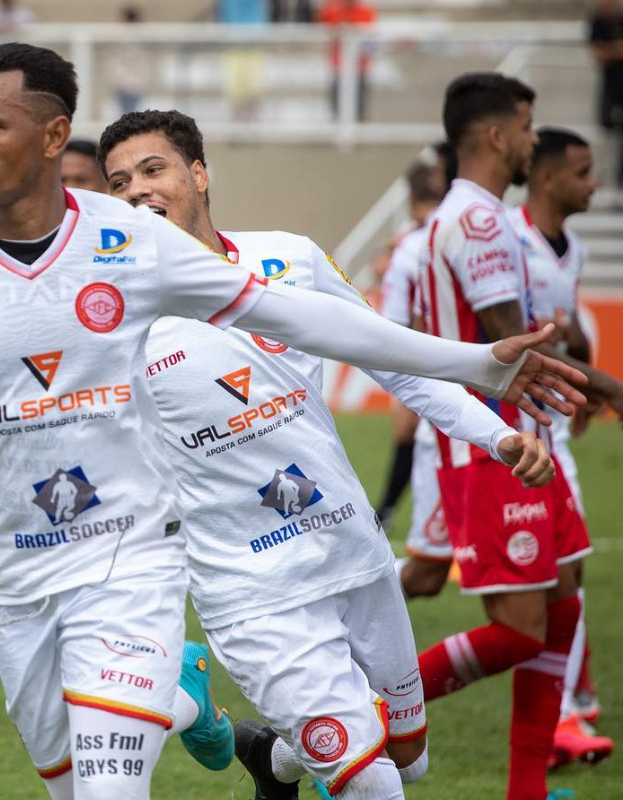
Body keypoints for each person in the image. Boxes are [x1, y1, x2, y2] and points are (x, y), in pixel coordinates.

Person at [0, 45, 584, 800]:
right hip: (26, 577)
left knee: (274, 778)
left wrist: (473, 370)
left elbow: (322, 322)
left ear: (53, 138)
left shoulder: (145, 251)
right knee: (91, 780)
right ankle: (202, 712)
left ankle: (228, 730)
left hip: (152, 566)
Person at [98, 108, 553, 800]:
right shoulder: (110, 320)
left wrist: (496, 434)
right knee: (372, 783)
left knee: (407, 759)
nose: (136, 190)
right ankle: (306, 747)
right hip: (251, 594)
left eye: (152, 170)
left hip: (352, 554)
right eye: (118, 182)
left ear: (198, 173)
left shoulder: (290, 259)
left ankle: (274, 758)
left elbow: (390, 361)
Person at [415, 72, 623, 800]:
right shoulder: (474, 221)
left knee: (564, 600)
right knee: (521, 629)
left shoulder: (489, 218)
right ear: (499, 135)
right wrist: (609, 388)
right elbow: (510, 341)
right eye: (529, 127)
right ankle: (363, 718)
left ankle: (527, 790)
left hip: (526, 440)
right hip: (489, 444)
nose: (536, 140)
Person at [507, 127, 613, 768]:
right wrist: (607, 387)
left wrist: (583, 382)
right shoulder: (507, 241)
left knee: (567, 573)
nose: (593, 183)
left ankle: (570, 706)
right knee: (535, 590)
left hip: (553, 428)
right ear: (546, 177)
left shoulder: (568, 250)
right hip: (512, 435)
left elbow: (562, 339)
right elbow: (510, 342)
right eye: (582, 171)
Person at [374, 147, 451, 535]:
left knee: (412, 434)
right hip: (449, 351)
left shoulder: (414, 240)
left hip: (417, 350)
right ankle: (389, 511)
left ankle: (391, 513)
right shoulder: (423, 236)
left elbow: (389, 287)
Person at [318, 0, 376, 122]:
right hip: (338, 64)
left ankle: (358, 127)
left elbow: (370, 39)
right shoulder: (333, 9)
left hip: (359, 66)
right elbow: (322, 25)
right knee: (336, 101)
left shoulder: (365, 11)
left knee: (359, 101)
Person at [589, 0, 623, 195]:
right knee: (607, 130)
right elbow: (598, 54)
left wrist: (609, 50)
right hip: (610, 89)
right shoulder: (598, 22)